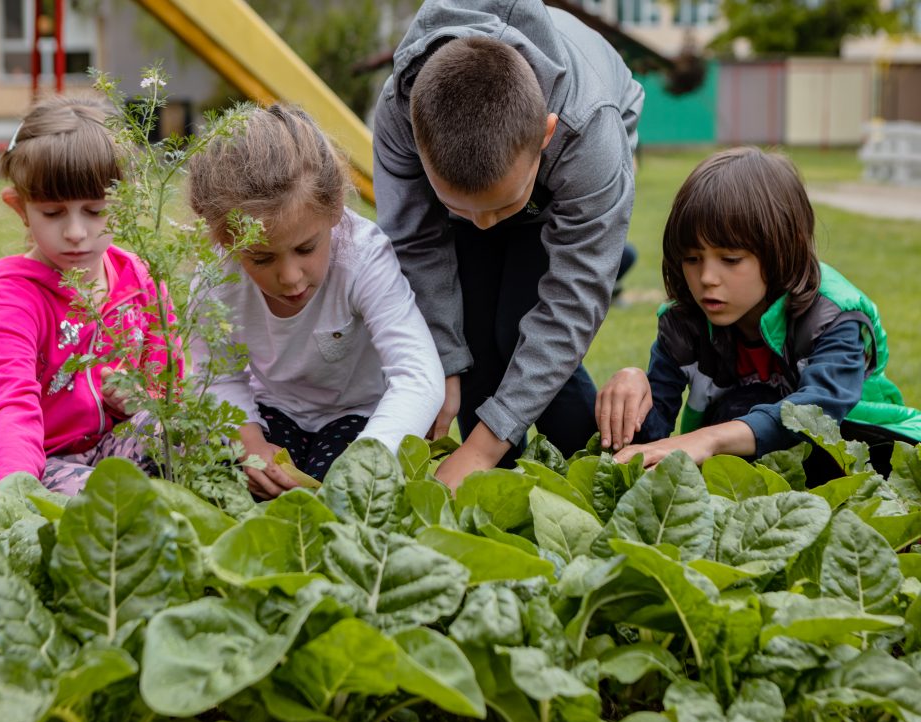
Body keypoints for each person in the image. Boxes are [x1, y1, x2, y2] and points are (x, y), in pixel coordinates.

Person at [372, 0, 645, 490]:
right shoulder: (398, 111)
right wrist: (446, 366)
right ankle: (501, 489)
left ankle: (603, 472)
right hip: (512, 169)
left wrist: (480, 447)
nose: (481, 226)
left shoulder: (587, 128)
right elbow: (415, 241)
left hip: (581, 148)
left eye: (499, 207)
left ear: (545, 135)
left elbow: (572, 301)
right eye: (460, 208)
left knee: (519, 325)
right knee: (475, 336)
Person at [596, 146, 921, 474]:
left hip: (860, 449)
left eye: (730, 259)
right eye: (692, 259)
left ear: (783, 248)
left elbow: (820, 413)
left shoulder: (832, 315)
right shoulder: (684, 325)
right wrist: (635, 392)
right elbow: (653, 438)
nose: (707, 278)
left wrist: (709, 439)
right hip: (746, 466)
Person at [188, 104, 444, 500]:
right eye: (262, 258)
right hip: (271, 410)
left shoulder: (362, 258)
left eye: (306, 248)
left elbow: (419, 376)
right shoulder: (214, 278)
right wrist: (249, 445)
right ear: (225, 241)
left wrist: (366, 463)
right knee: (216, 480)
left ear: (335, 210)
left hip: (358, 416)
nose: (290, 277)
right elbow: (218, 377)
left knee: (339, 498)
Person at [0, 94, 177, 495]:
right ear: (20, 209)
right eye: (53, 213)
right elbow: (12, 405)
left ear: (126, 203)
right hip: (36, 463)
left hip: (111, 453)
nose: (76, 232)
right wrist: (15, 498)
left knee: (179, 438)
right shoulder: (12, 296)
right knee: (101, 500)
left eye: (95, 211)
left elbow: (170, 379)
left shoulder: (139, 278)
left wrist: (140, 399)